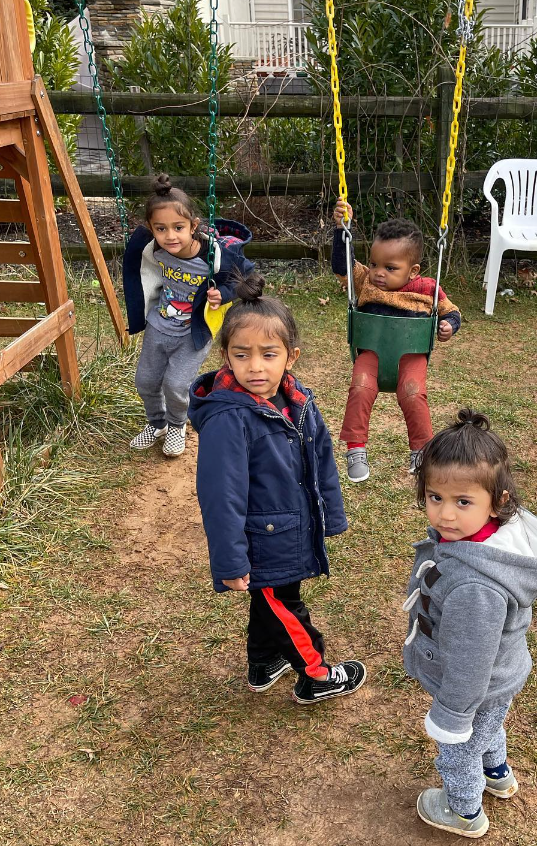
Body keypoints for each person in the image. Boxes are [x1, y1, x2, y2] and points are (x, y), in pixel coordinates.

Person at [188, 273, 367, 704]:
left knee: (276, 597)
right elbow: (220, 496)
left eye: (268, 354)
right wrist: (230, 559)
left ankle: (265, 661)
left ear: (290, 357)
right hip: (262, 538)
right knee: (283, 603)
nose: (255, 367)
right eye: (241, 355)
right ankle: (316, 673)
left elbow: (321, 460)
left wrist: (331, 515)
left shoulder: (298, 401)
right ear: (226, 356)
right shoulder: (228, 420)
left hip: (290, 528)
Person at [404, 409, 537, 838]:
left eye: (463, 502)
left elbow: (470, 661)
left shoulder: (474, 588)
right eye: (435, 497)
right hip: (502, 677)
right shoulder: (496, 539)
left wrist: (452, 713)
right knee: (489, 727)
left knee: (459, 748)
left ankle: (463, 810)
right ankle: (497, 772)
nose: (444, 515)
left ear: (497, 501)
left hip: (474, 687)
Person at [123, 174, 254, 458]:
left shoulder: (212, 255)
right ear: (151, 229)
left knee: (176, 384)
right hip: (160, 325)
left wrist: (225, 294)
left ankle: (176, 425)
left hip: (193, 333)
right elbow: (136, 270)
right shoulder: (154, 249)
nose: (170, 236)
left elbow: (243, 278)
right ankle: (156, 423)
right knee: (145, 381)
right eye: (161, 228)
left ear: (193, 226)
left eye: (178, 227)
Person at [332, 199, 462, 482]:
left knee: (413, 392)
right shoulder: (364, 280)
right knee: (360, 387)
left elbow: (453, 313)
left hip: (410, 357)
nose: (379, 272)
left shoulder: (427, 288)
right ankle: (356, 449)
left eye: (390, 268)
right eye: (374, 263)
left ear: (412, 271)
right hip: (372, 354)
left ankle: (421, 451)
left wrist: (448, 326)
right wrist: (342, 229)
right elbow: (342, 267)